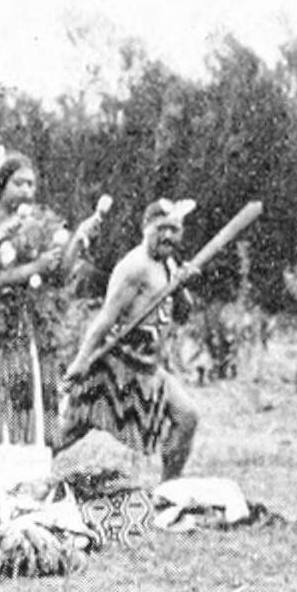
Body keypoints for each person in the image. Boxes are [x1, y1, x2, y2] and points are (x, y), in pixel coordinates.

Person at [0, 149, 100, 494]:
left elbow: (57, 276)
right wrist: (31, 268)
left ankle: (20, 496)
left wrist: (78, 239)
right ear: (0, 183)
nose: (28, 190)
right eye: (19, 183)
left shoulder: (37, 223)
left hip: (29, 330)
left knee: (26, 412)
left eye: (32, 184)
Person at [55, 199, 202, 480]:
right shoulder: (135, 267)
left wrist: (182, 287)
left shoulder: (169, 263)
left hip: (148, 368)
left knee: (187, 418)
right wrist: (81, 362)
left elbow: (182, 314)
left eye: (174, 229)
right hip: (114, 366)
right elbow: (105, 318)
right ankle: (20, 471)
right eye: (161, 228)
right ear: (145, 227)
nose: (168, 236)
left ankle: (168, 489)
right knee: (65, 432)